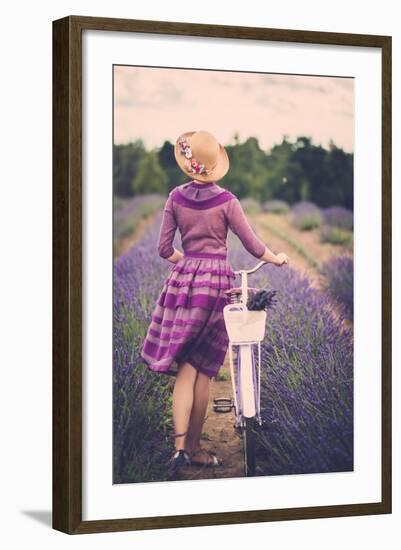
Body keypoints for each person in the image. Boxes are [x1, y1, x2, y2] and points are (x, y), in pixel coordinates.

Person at [140, 130, 289, 472]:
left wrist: (190, 263)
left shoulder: (175, 198)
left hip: (183, 285)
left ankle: (180, 448)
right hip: (216, 286)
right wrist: (277, 258)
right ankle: (193, 448)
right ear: (214, 166)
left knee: (184, 371)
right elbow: (253, 245)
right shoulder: (227, 201)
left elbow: (164, 250)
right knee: (203, 370)